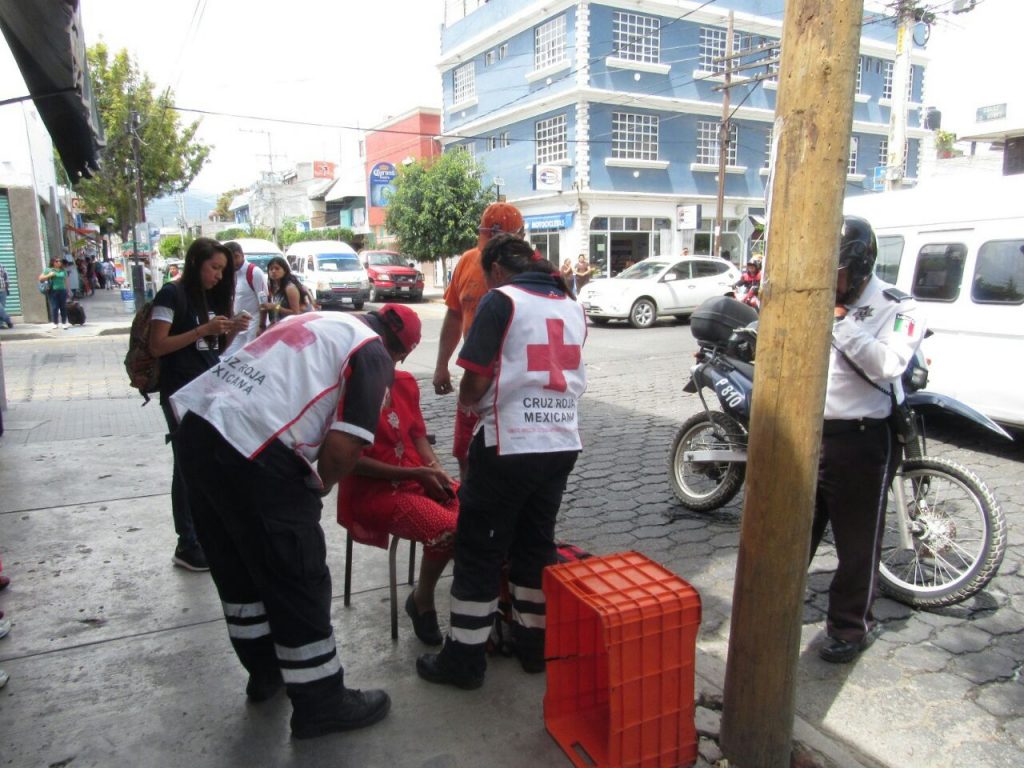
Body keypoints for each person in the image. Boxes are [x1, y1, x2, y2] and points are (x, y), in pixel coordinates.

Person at [170, 303, 422, 739]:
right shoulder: (373, 353)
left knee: (239, 569)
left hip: (200, 430)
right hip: (257, 449)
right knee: (297, 575)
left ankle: (266, 673)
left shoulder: (312, 318)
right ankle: (321, 700)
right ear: (399, 351)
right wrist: (312, 491)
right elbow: (344, 451)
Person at [417, 233, 587, 690]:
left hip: (509, 444)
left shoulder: (501, 301)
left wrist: (471, 408)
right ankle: (535, 647)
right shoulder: (572, 303)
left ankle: (464, 661)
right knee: (535, 545)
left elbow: (473, 381)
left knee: (479, 550)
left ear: (494, 270)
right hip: (561, 444)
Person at [809, 215, 925, 664]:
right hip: (810, 435)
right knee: (794, 536)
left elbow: (887, 365)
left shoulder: (899, 306)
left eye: (835, 272)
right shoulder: (817, 296)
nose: (829, 281)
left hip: (859, 441)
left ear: (858, 267)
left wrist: (840, 322)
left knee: (857, 545)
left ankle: (848, 627)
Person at [337, 369, 459, 646]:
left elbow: (418, 436)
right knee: (447, 528)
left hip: (415, 475)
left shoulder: (404, 382)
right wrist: (417, 474)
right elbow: (350, 461)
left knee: (476, 513)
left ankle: (474, 601)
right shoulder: (349, 386)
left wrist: (436, 469)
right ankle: (422, 600)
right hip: (372, 491)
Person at [148, 238, 247, 572]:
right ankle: (187, 542)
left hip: (205, 387)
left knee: (203, 465)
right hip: (180, 392)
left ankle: (201, 536)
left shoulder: (203, 299)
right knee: (185, 467)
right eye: (214, 268)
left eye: (223, 270)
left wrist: (229, 329)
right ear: (195, 263)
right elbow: (158, 345)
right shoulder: (170, 295)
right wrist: (203, 328)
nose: (218, 276)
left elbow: (210, 349)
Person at [433, 202, 525, 479]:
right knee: (465, 452)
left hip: (514, 380)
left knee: (508, 456)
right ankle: (471, 506)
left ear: (520, 237)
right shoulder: (467, 261)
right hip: (476, 372)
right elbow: (453, 314)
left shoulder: (536, 272)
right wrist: (441, 365)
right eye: (489, 242)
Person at [222, 241, 269, 357]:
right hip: (237, 323)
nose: (231, 263)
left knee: (249, 358)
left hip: (254, 324)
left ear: (240, 255)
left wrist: (261, 326)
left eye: (234, 258)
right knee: (227, 355)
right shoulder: (230, 274)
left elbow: (263, 301)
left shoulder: (254, 272)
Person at [260, 256, 306, 329]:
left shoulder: (290, 288)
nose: (273, 271)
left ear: (285, 271)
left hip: (290, 328)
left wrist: (276, 307)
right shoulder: (272, 288)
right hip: (277, 327)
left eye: (277, 268)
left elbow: (296, 313)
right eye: (271, 269)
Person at [39, 257, 70, 329]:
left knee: (63, 307)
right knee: (55, 307)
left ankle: (64, 323)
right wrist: (49, 275)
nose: (59, 262)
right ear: (53, 262)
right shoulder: (48, 270)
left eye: (60, 261)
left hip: (62, 290)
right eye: (57, 261)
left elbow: (66, 280)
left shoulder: (63, 270)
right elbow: (40, 278)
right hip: (53, 291)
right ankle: (55, 323)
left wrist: (68, 290)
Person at [0, 262, 13, 328]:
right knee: (0, 308)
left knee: (2, 307)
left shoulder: (1, 265)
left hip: (3, 290)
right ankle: (8, 320)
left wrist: (7, 288)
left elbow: (6, 277)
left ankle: (1, 324)